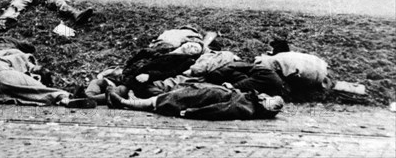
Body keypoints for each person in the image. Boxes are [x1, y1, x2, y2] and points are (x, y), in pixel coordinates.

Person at [106, 82, 284, 121]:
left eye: (267, 100)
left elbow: (219, 110)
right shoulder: (250, 100)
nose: (263, 96)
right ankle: (122, 99)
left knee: (165, 100)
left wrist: (192, 113)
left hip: (201, 99)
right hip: (204, 92)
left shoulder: (247, 109)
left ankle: (122, 101)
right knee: (169, 95)